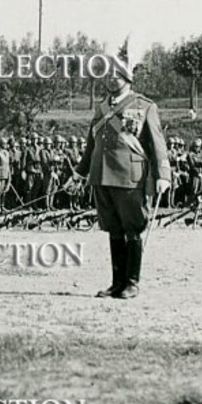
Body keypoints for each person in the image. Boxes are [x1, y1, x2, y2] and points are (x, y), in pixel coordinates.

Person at [74, 66, 171, 299]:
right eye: (108, 75)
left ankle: (131, 282)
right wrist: (79, 173)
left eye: (115, 75)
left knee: (133, 229)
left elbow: (157, 144)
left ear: (127, 79)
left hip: (130, 177)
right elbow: (92, 144)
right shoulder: (102, 107)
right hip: (101, 175)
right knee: (113, 230)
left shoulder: (145, 106)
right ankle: (116, 283)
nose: (110, 78)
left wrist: (163, 175)